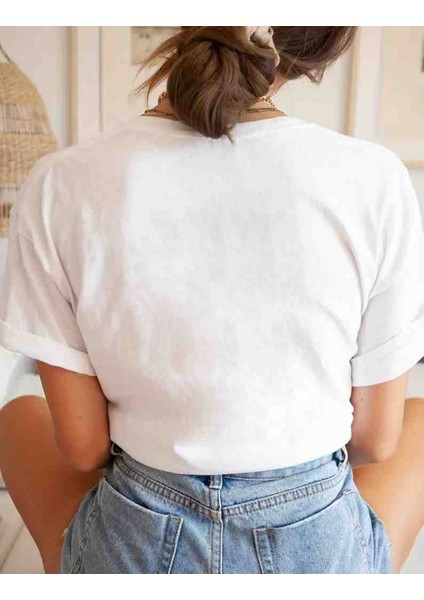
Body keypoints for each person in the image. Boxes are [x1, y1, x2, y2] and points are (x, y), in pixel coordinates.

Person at [0, 26, 423, 574]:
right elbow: (374, 441)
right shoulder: (376, 177)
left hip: (136, 544)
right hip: (315, 550)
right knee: (416, 421)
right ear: (319, 44)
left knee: (18, 415)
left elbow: (85, 450)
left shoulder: (57, 183)